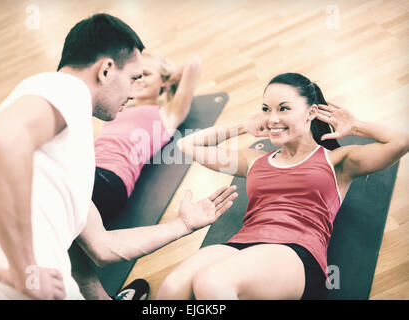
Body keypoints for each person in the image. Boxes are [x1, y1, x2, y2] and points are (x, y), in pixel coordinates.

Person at [0, 13, 237, 300]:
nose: (132, 91)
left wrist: (184, 224)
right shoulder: (66, 89)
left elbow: (103, 247)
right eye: (132, 78)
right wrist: (25, 269)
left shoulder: (58, 144)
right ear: (105, 70)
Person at [157, 72, 409, 300]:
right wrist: (242, 127)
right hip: (240, 245)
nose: (272, 118)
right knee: (172, 288)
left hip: (295, 252)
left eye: (284, 108)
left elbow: (401, 141)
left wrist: (355, 126)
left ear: (310, 113)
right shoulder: (253, 160)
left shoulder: (337, 162)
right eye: (266, 109)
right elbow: (187, 146)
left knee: (212, 283)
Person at [68, 51, 202, 299]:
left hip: (109, 180)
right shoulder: (116, 110)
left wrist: (166, 76)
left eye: (146, 75)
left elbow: (193, 64)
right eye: (136, 76)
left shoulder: (166, 114)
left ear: (164, 82)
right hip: (86, 172)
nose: (139, 80)